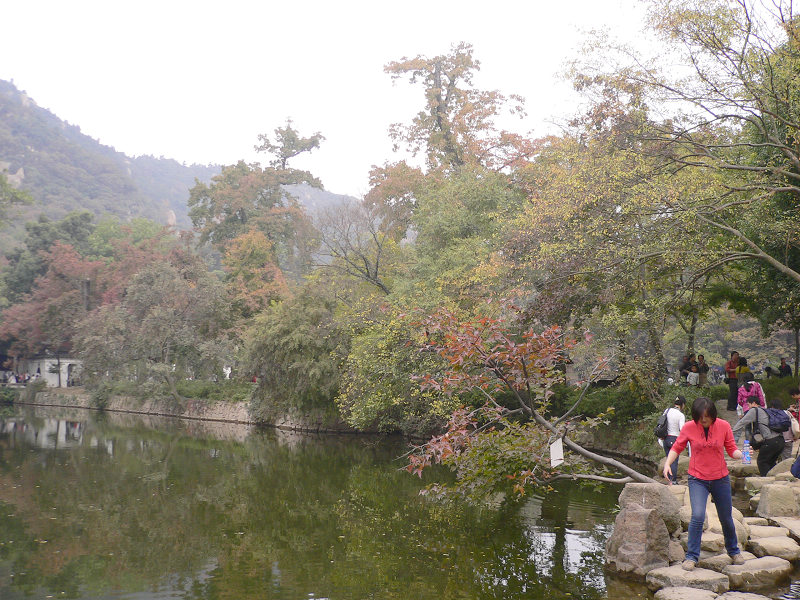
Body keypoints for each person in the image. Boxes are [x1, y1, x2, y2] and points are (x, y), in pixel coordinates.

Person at [663, 396, 743, 570]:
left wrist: (742, 454)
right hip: (697, 478)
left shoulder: (724, 426)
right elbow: (677, 447)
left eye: (707, 415)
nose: (704, 419)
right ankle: (691, 557)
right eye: (700, 416)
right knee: (697, 516)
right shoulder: (689, 427)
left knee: (726, 517)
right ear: (695, 415)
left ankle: (734, 551)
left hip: (720, 478)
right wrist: (667, 464)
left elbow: (731, 450)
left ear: (713, 414)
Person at [732, 397, 785, 476]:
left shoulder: (754, 410)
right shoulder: (766, 410)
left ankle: (766, 481)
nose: (748, 407)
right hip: (780, 440)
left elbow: (742, 422)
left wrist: (730, 433)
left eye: (748, 404)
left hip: (771, 441)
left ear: (753, 403)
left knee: (762, 461)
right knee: (770, 462)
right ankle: (775, 479)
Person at [661, 395, 687, 484]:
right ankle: (673, 481)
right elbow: (682, 429)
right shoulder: (680, 415)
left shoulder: (666, 411)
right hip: (674, 439)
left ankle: (668, 479)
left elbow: (661, 423)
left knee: (668, 459)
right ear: (682, 405)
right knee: (674, 461)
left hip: (665, 438)